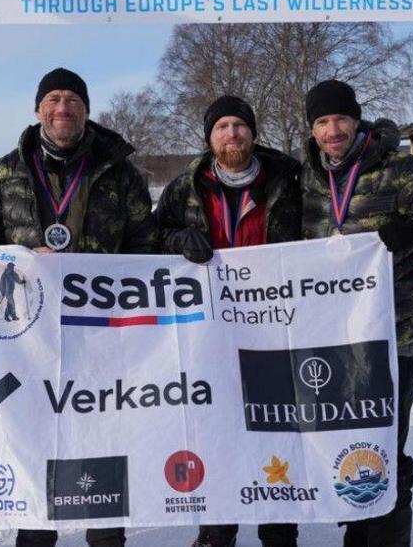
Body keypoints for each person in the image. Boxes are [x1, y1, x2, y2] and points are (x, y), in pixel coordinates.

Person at [0, 67, 157, 547]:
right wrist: (23, 261)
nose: (62, 108)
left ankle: (106, 536)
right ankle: (35, 533)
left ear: (86, 110)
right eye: (53, 98)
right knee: (36, 434)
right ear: (38, 110)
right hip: (31, 340)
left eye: (72, 99)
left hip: (103, 333)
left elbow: (146, 245)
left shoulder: (119, 172)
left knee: (103, 435)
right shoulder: (7, 171)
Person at [299, 80, 413, 547]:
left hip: (390, 339)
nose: (332, 130)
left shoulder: (398, 170)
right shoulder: (309, 179)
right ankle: (358, 532)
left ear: (356, 120)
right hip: (331, 340)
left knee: (385, 449)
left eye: (340, 119)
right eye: (321, 122)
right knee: (347, 447)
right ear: (312, 130)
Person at [154, 95, 301, 547]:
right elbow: (149, 236)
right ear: (209, 136)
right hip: (208, 334)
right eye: (222, 127)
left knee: (275, 429)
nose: (231, 134)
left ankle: (279, 529)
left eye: (240, 125)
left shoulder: (289, 183)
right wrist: (178, 238)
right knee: (216, 430)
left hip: (276, 330)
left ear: (253, 134)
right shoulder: (187, 186)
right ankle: (217, 529)